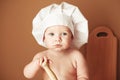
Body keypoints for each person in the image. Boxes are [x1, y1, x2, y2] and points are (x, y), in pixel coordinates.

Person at [23, 2, 89, 80]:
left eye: (64, 34)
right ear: (43, 38)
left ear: (72, 37)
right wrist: (35, 64)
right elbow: (27, 74)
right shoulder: (42, 57)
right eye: (51, 34)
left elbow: (83, 77)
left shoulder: (76, 56)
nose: (58, 39)